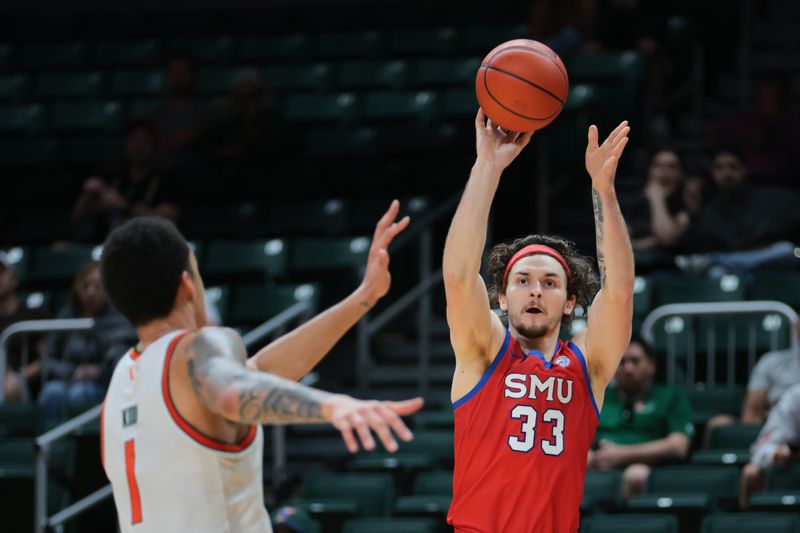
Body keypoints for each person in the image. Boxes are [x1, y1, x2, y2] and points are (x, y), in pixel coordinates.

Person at [100, 203, 423, 532]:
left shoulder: (121, 382)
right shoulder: (198, 347)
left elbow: (255, 374)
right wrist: (328, 404)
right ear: (187, 286)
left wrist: (363, 297)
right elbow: (234, 390)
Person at [443, 110, 634, 532]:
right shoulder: (482, 353)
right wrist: (487, 167)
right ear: (501, 296)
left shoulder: (589, 364)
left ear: (569, 302)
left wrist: (603, 189)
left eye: (550, 283)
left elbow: (618, 291)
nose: (535, 290)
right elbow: (457, 276)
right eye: (523, 280)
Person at [587, 337, 694, 499]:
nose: (628, 368)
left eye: (635, 361)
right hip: (599, 463)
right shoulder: (599, 396)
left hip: (649, 466)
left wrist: (621, 454)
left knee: (636, 476)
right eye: (622, 362)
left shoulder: (671, 396)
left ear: (652, 366)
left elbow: (678, 446)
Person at [677, 146, 800, 275]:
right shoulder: (710, 208)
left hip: (766, 260)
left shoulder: (773, 198)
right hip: (732, 268)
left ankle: (716, 260)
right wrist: (694, 213)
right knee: (715, 273)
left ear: (745, 170)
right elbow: (698, 247)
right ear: (712, 173)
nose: (726, 174)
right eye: (719, 168)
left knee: (785, 250)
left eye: (732, 167)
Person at [37, 262, 135, 421]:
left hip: (101, 384)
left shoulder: (119, 320)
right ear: (76, 287)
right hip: (66, 380)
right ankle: (52, 444)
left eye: (97, 286)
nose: (90, 292)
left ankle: (79, 443)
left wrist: (98, 371)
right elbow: (48, 359)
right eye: (85, 285)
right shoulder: (67, 315)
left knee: (80, 394)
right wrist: (72, 371)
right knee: (51, 392)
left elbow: (121, 359)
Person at [72, 119, 180, 242]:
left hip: (144, 248)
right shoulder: (113, 177)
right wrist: (88, 195)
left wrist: (125, 206)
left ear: (156, 145)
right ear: (126, 143)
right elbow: (78, 216)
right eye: (134, 139)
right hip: (104, 247)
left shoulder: (165, 179)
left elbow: (168, 219)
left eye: (146, 140)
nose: (139, 146)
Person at [704, 322, 800, 446]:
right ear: (797, 327)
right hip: (774, 430)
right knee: (717, 423)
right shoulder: (771, 362)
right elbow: (752, 414)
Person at [740, 383, 800, 508]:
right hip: (794, 463)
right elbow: (761, 451)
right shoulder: (795, 397)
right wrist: (779, 454)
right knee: (751, 473)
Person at [0, 253, 48, 402]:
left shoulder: (33, 315)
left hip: (19, 380)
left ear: (13, 279)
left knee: (9, 387)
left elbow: (46, 358)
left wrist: (22, 374)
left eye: (1, 272)